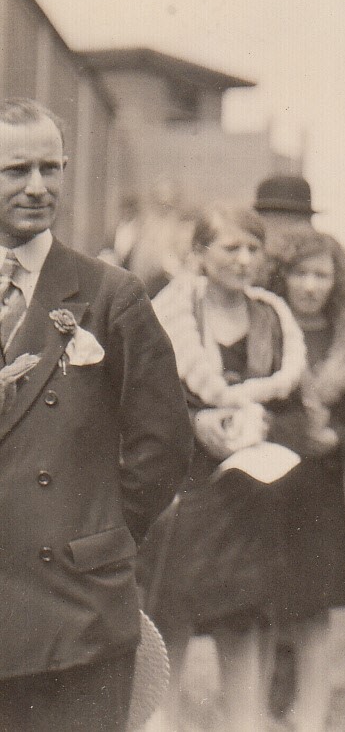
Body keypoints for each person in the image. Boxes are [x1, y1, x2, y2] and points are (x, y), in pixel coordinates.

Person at [0, 98, 192, 732]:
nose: (37, 187)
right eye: (14, 170)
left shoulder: (111, 295)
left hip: (76, 616)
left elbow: (161, 446)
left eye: (49, 169)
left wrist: (100, 538)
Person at [140, 204, 309, 732]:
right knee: (172, 615)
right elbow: (146, 401)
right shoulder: (169, 315)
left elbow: (296, 412)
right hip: (187, 488)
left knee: (244, 618)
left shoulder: (274, 320)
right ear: (200, 255)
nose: (243, 260)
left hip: (254, 491)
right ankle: (160, 722)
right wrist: (197, 424)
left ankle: (244, 723)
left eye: (253, 249)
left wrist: (262, 428)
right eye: (230, 248)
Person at [266, 228, 345, 731]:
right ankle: (260, 710)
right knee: (261, 600)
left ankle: (310, 716)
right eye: (301, 273)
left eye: (322, 275)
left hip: (320, 491)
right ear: (283, 276)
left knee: (314, 607)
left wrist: (339, 440)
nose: (311, 286)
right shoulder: (266, 328)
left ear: (337, 281)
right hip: (266, 483)